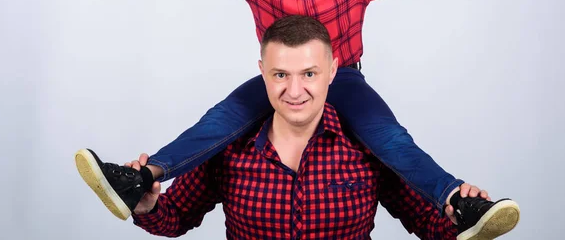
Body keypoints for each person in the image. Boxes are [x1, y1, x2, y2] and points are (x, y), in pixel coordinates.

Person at [72, 0, 539, 237]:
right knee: (218, 122)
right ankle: (140, 178)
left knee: (389, 138)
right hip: (277, 80)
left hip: (343, 77)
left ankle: (457, 201)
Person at [88, 16, 511, 240]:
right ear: (261, 73)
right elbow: (175, 218)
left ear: (332, 71)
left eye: (309, 74)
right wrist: (147, 207)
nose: (294, 90)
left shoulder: (366, 146)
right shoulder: (229, 148)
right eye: (280, 75)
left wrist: (460, 218)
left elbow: (429, 223)